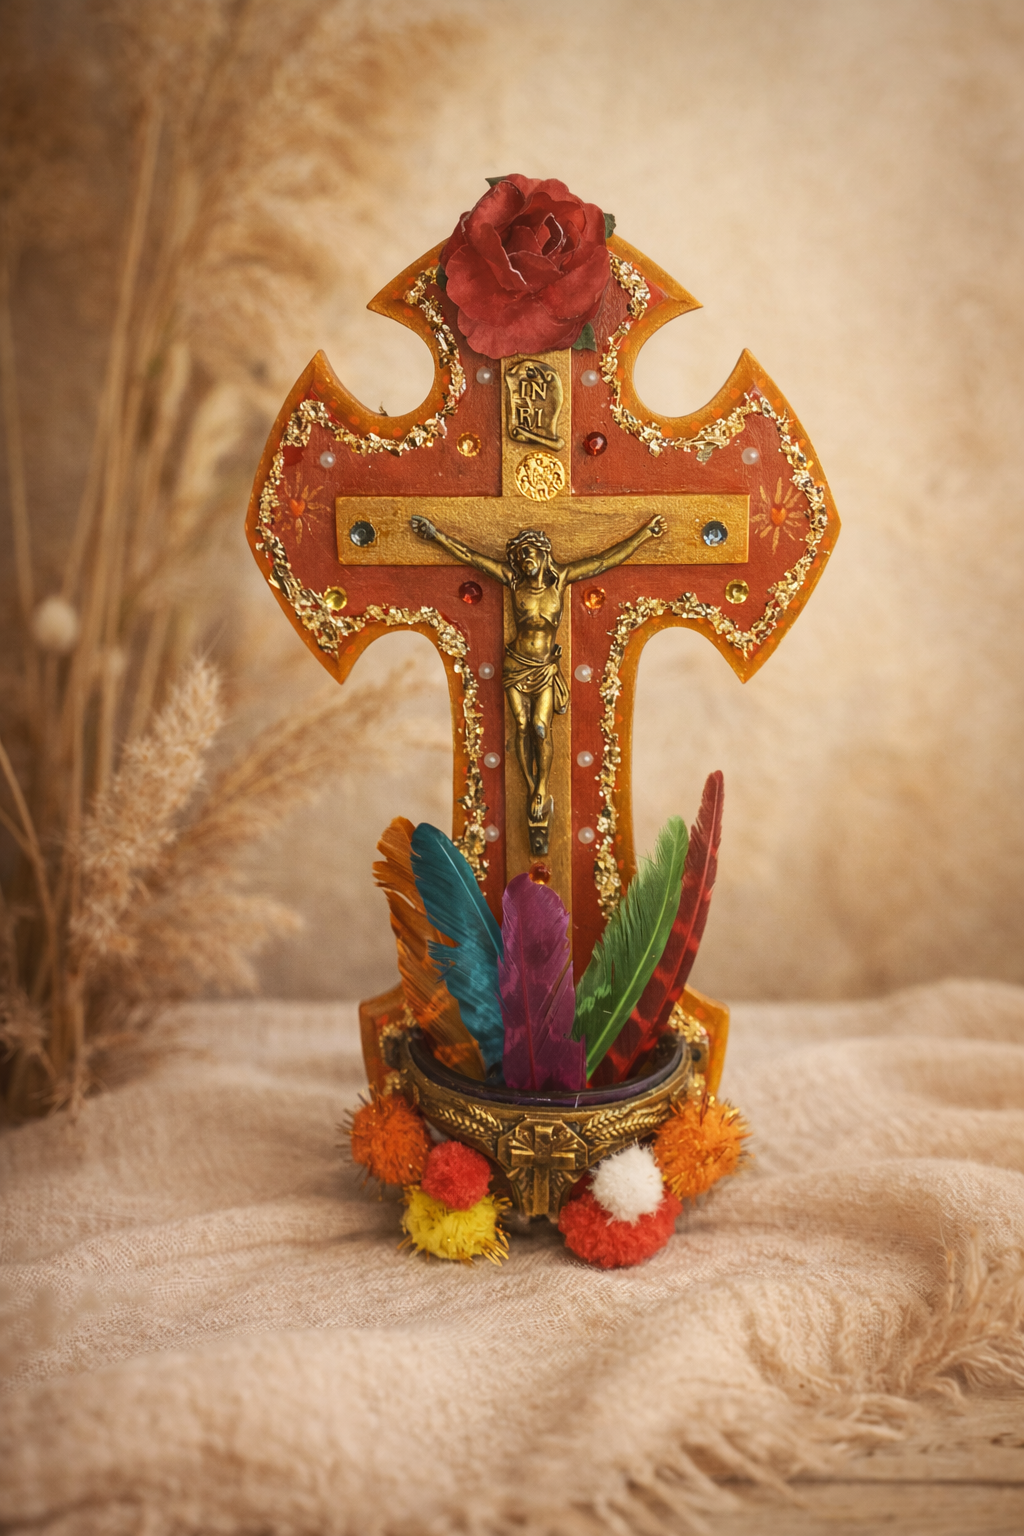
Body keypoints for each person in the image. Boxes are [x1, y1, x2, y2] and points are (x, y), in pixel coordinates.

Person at [410, 513, 666, 841]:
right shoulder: (513, 581)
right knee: (521, 725)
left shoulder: (561, 580)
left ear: (543, 554)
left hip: (544, 668)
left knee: (541, 727)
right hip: (516, 665)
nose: (523, 560)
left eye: (528, 553)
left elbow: (605, 560)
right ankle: (531, 786)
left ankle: (542, 787)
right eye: (519, 557)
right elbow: (472, 557)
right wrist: (435, 535)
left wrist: (645, 535)